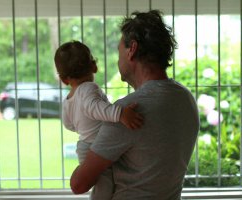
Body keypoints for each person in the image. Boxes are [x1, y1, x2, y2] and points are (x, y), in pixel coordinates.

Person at [70, 10, 200, 200]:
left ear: (132, 49)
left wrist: (85, 149)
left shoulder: (127, 112)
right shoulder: (186, 99)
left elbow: (79, 184)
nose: (118, 59)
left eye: (119, 50)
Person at [54, 41, 143, 200]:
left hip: (84, 144)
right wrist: (120, 114)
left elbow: (68, 124)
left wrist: (83, 125)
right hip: (95, 146)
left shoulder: (68, 99)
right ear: (94, 66)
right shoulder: (88, 88)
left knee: (103, 183)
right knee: (105, 184)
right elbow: (94, 107)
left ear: (63, 79)